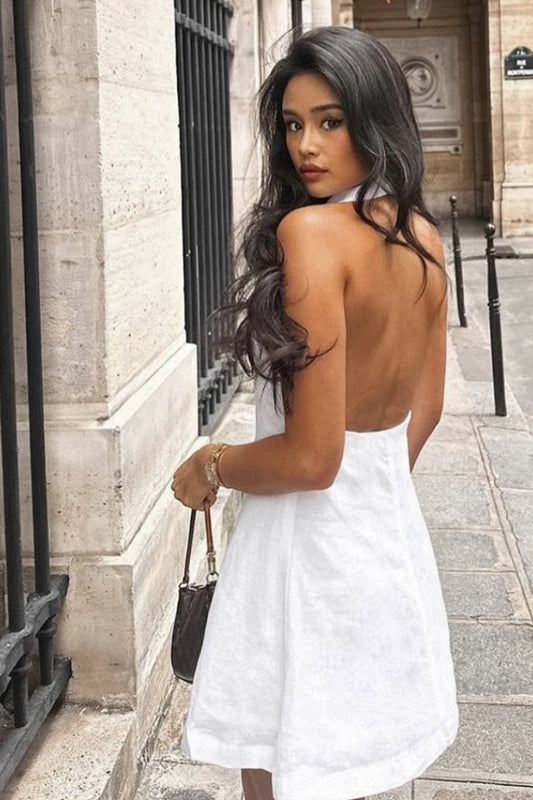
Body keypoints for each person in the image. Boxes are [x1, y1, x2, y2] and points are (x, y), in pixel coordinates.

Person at [171, 25, 459, 800]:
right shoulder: (422, 236)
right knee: (344, 764)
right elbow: (424, 409)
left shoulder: (312, 233)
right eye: (293, 124)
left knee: (279, 763)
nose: (306, 145)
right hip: (382, 538)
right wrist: (366, 495)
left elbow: (309, 459)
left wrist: (210, 464)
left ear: (374, 118)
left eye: (331, 121)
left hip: (301, 547)